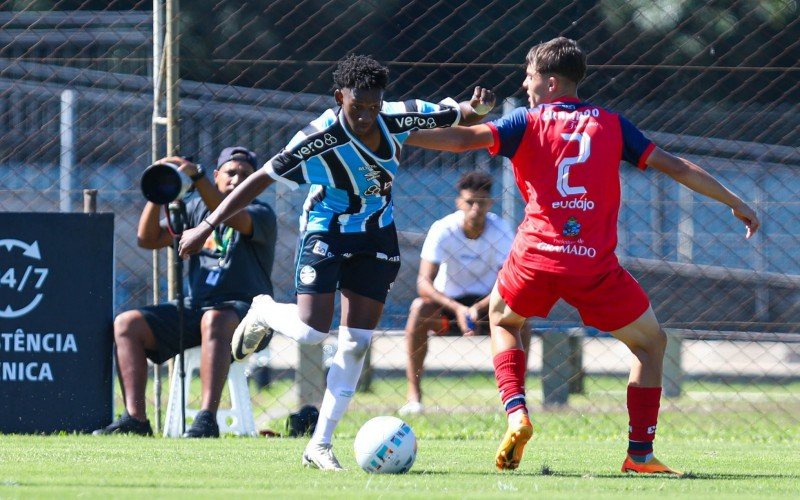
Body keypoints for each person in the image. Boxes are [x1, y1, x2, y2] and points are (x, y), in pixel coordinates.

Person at [404, 37, 760, 473]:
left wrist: (395, 130)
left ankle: (517, 413)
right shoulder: (612, 124)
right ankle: (640, 455)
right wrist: (734, 201)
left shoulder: (526, 121)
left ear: (551, 82)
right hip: (592, 264)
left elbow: (462, 141)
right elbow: (677, 166)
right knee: (651, 345)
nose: (525, 82)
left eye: (530, 75)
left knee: (502, 320)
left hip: (535, 258)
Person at [178, 54, 496, 469]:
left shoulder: (395, 117)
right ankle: (264, 310)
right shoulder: (317, 137)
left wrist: (479, 109)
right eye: (356, 106)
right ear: (338, 97)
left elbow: (456, 113)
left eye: (373, 106)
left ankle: (320, 445)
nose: (365, 115)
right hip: (326, 231)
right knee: (312, 331)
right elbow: (260, 180)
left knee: (356, 343)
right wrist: (206, 225)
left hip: (377, 234)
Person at [94, 147, 277, 438]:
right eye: (231, 173)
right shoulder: (193, 209)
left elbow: (232, 218)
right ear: (218, 175)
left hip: (248, 316)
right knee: (127, 324)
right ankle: (136, 419)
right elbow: (148, 238)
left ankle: (207, 419)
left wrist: (198, 176)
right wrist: (160, 191)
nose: (237, 179)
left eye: (245, 175)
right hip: (199, 308)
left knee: (214, 319)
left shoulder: (261, 213)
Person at [399, 170, 530, 416]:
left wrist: (477, 309)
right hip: (448, 307)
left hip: (488, 306)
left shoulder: (501, 230)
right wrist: (460, 309)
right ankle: (413, 396)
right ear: (459, 202)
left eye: (481, 203)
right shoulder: (442, 229)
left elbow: (511, 282)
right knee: (419, 309)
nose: (475, 209)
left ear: (490, 203)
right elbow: (423, 283)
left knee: (521, 318)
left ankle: (517, 398)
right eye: (470, 202)